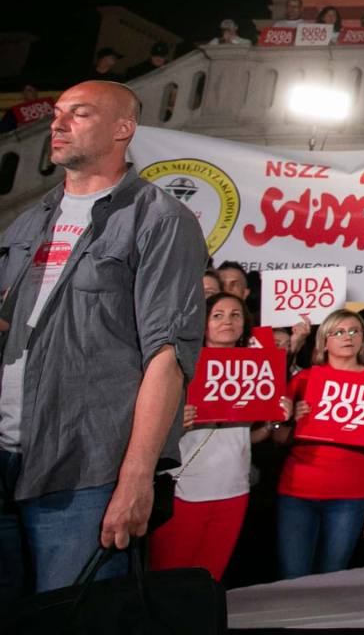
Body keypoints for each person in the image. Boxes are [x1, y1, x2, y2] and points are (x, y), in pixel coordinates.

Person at [0, 81, 205, 600]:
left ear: (122, 129)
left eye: (80, 113)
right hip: (4, 455)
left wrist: (137, 478)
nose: (58, 123)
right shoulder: (27, 221)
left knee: (74, 621)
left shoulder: (161, 220)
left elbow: (168, 354)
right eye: (58, 114)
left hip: (85, 471)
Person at [148, 292, 285, 582]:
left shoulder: (258, 369)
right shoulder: (180, 367)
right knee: (169, 581)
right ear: (203, 323)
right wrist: (175, 424)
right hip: (184, 491)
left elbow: (249, 437)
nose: (228, 321)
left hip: (234, 491)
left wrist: (272, 422)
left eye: (235, 315)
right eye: (218, 315)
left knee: (210, 579)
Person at [271, 309, 364, 578]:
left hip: (349, 495)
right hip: (298, 491)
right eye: (339, 332)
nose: (348, 337)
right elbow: (278, 438)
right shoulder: (304, 379)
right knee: (292, 575)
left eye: (355, 331)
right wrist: (290, 420)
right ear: (324, 341)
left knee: (333, 575)